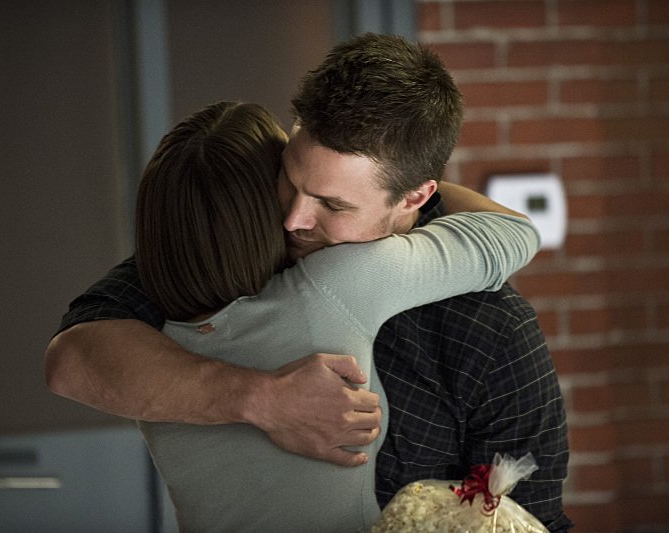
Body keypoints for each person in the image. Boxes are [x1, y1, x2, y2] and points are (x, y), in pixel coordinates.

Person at [46, 33, 572, 530]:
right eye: (289, 179)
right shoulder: (225, 255)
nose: (293, 219)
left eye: (332, 203)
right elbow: (72, 358)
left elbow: (531, 520)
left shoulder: (490, 328)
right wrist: (260, 398)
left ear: (414, 196)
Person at [130, 100, 537, 531]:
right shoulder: (333, 285)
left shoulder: (151, 365)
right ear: (261, 207)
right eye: (287, 182)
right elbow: (513, 234)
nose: (296, 214)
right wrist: (402, 188)